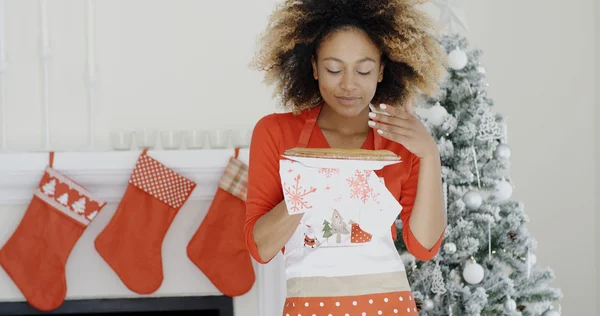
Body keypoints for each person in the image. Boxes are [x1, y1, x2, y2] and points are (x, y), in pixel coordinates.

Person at [245, 0, 447, 314]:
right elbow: (261, 248)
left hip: (389, 306)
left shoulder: (401, 141)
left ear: (381, 70)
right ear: (313, 67)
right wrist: (315, 183)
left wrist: (429, 155)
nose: (349, 84)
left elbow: (423, 246)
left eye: (364, 69)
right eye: (334, 69)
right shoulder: (275, 133)